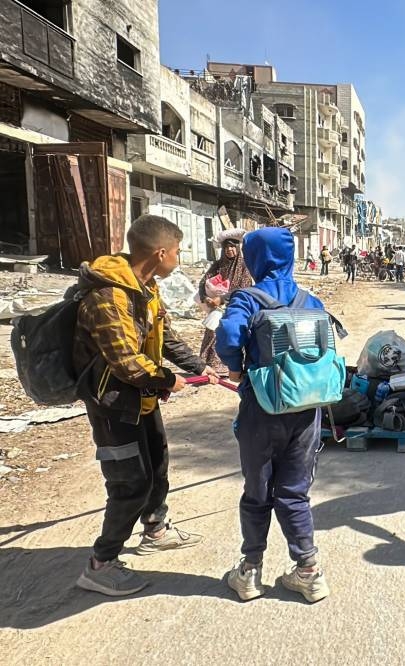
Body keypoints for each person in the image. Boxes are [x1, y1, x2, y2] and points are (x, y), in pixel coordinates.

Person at [73, 214, 218, 596]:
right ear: (160, 252)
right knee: (130, 483)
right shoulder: (109, 295)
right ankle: (101, 563)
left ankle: (154, 528)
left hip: (141, 399)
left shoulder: (147, 288)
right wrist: (171, 380)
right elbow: (124, 362)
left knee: (157, 465)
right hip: (112, 403)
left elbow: (166, 338)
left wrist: (203, 368)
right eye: (178, 252)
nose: (180, 259)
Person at [215, 227, 331, 603]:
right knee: (295, 492)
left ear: (253, 258)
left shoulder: (247, 299)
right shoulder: (309, 299)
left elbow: (229, 337)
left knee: (257, 492)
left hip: (262, 409)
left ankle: (249, 573)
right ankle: (309, 573)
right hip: (306, 408)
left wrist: (234, 367)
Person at [196, 229, 253, 376]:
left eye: (232, 247)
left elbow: (244, 289)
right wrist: (205, 297)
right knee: (212, 332)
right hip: (215, 308)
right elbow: (204, 281)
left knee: (229, 333)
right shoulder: (218, 265)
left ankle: (229, 367)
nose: (229, 250)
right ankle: (209, 365)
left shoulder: (244, 267)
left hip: (236, 307)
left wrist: (222, 299)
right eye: (226, 247)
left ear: (238, 248)